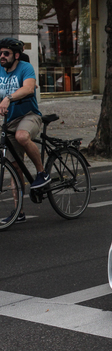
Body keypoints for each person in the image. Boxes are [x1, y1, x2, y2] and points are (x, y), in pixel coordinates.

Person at [0, 37, 49, 224]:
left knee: (22, 136)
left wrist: (8, 98)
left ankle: (41, 172)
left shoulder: (25, 68)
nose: (2, 56)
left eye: (6, 53)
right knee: (14, 167)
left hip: (29, 115)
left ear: (16, 55)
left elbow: (28, 88)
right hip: (10, 120)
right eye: (0, 53)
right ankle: (18, 211)